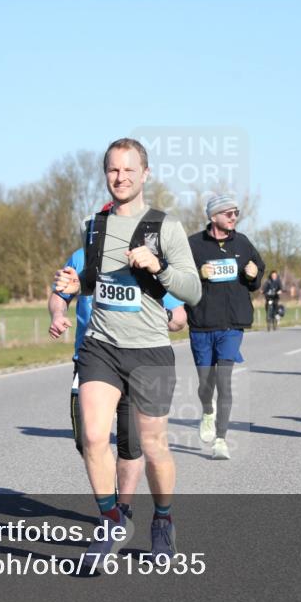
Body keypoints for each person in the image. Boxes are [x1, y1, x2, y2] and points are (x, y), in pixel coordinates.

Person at [53, 138, 201, 559]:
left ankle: (163, 518)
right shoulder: (93, 226)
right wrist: (70, 288)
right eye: (114, 170)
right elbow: (95, 281)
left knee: (154, 447)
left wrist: (160, 267)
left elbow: (192, 291)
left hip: (150, 350)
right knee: (95, 437)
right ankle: (109, 521)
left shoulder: (165, 228)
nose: (121, 178)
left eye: (129, 170)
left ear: (145, 174)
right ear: (106, 175)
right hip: (101, 346)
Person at [48, 203, 187, 526]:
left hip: (140, 357)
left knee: (131, 443)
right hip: (93, 357)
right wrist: (58, 315)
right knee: (89, 440)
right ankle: (110, 505)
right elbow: (59, 294)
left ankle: (120, 511)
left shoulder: (145, 257)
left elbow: (179, 314)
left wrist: (160, 318)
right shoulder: (81, 257)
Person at [186, 194, 265, 460]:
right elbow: (178, 279)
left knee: (224, 381)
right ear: (213, 216)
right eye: (228, 213)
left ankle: (221, 439)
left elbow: (256, 275)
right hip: (202, 323)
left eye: (236, 213)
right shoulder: (193, 245)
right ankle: (207, 411)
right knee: (205, 384)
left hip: (232, 324)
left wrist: (253, 276)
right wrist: (198, 273)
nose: (233, 217)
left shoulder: (242, 243)